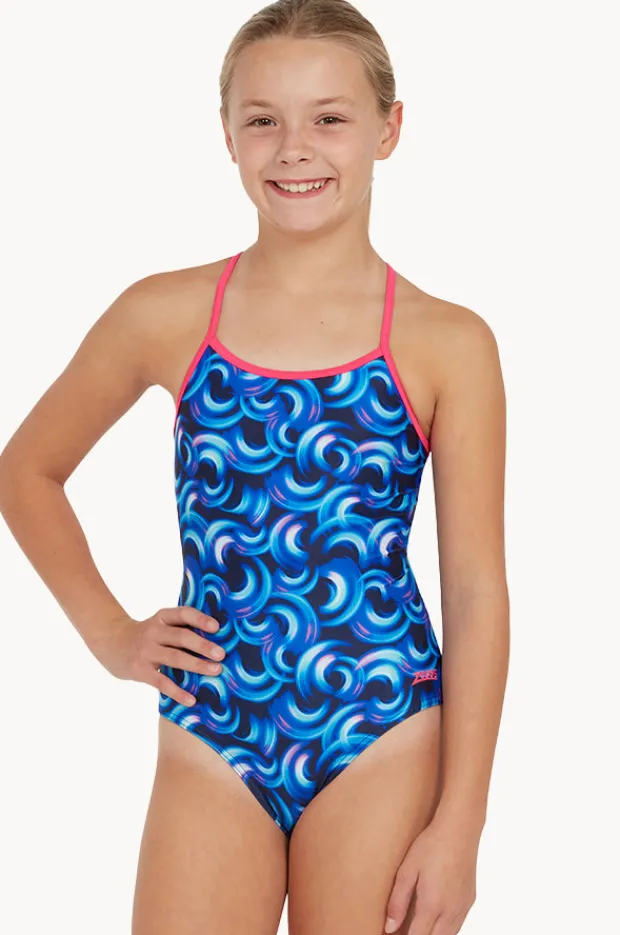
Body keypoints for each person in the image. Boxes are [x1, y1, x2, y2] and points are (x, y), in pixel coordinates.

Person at [0, 1, 509, 933]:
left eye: (330, 117)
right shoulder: (165, 313)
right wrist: (111, 635)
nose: (294, 149)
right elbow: (26, 468)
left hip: (379, 721)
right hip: (213, 724)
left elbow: (475, 588)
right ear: (227, 135)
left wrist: (461, 823)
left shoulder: (449, 342)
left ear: (389, 129)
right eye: (263, 119)